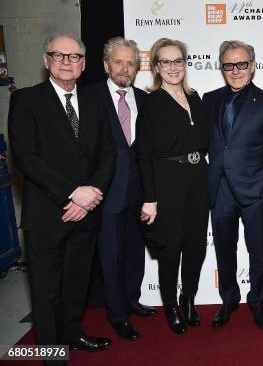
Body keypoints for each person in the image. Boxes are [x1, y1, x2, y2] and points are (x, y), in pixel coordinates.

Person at [8, 33, 115, 356]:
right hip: (47, 215)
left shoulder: (96, 101)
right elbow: (26, 157)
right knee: (46, 290)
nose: (67, 62)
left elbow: (108, 153)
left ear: (83, 65)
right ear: (46, 61)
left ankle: (72, 333)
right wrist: (72, 194)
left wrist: (91, 195)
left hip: (86, 215)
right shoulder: (26, 100)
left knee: (75, 284)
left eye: (74, 57)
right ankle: (52, 353)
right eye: (59, 55)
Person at [205, 40, 263, 329]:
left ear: (252, 66)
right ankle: (228, 299)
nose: (235, 71)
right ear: (221, 67)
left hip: (255, 192)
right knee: (224, 249)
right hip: (220, 190)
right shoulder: (210, 99)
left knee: (257, 250)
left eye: (241, 64)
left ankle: (257, 301)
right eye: (229, 65)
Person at [136, 38, 209, 335]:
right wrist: (150, 199)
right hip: (167, 182)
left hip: (198, 180)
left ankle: (188, 298)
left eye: (177, 60)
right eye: (165, 62)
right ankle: (170, 306)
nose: (173, 67)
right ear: (155, 66)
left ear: (185, 63)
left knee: (196, 247)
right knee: (170, 250)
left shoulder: (196, 97)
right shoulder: (151, 103)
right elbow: (143, 154)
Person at [86, 37, 157, 341]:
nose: (125, 68)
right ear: (105, 65)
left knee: (134, 253)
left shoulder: (144, 98)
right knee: (110, 256)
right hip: (106, 194)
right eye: (118, 62)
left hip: (139, 192)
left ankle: (132, 299)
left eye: (131, 63)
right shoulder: (88, 98)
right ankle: (117, 314)